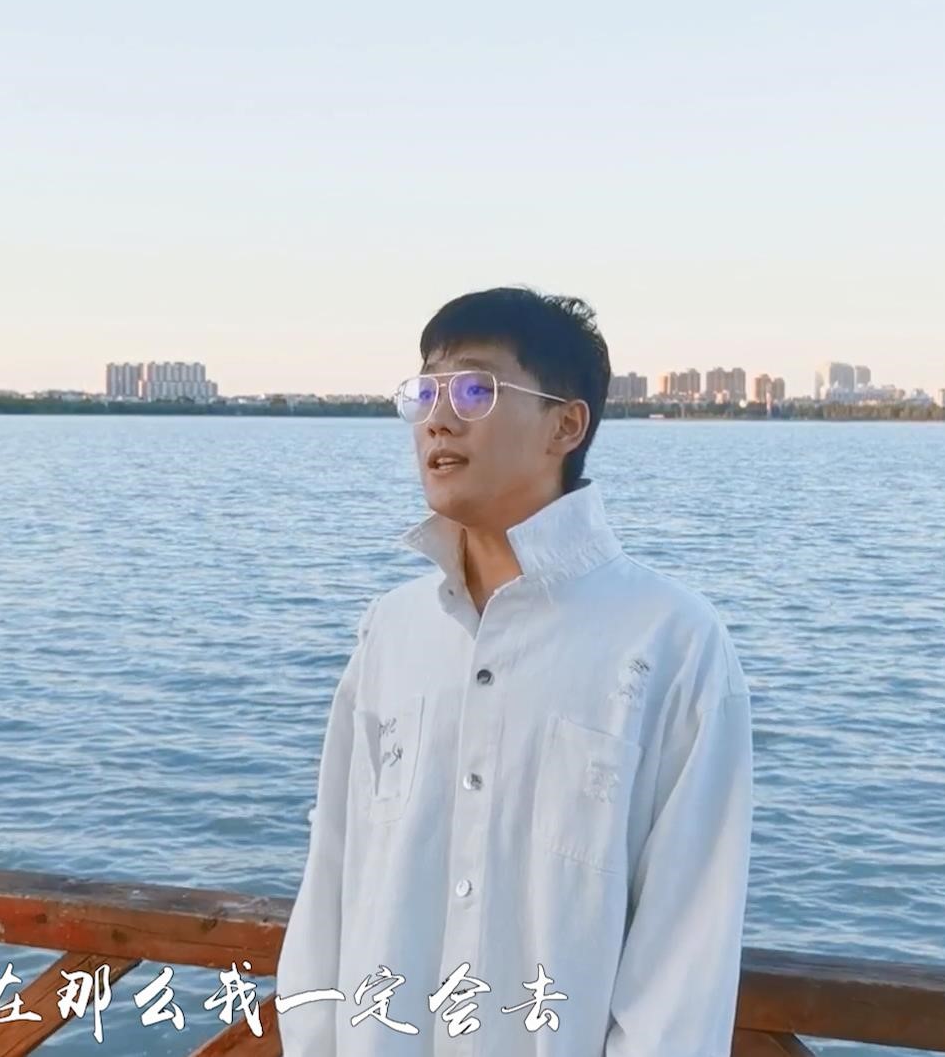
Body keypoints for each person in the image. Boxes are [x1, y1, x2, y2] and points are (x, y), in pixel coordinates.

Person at [275, 286, 754, 1055]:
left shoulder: (671, 641)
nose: (437, 418)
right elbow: (330, 871)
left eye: (474, 389)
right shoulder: (393, 630)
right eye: (423, 392)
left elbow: (685, 953)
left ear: (565, 424)